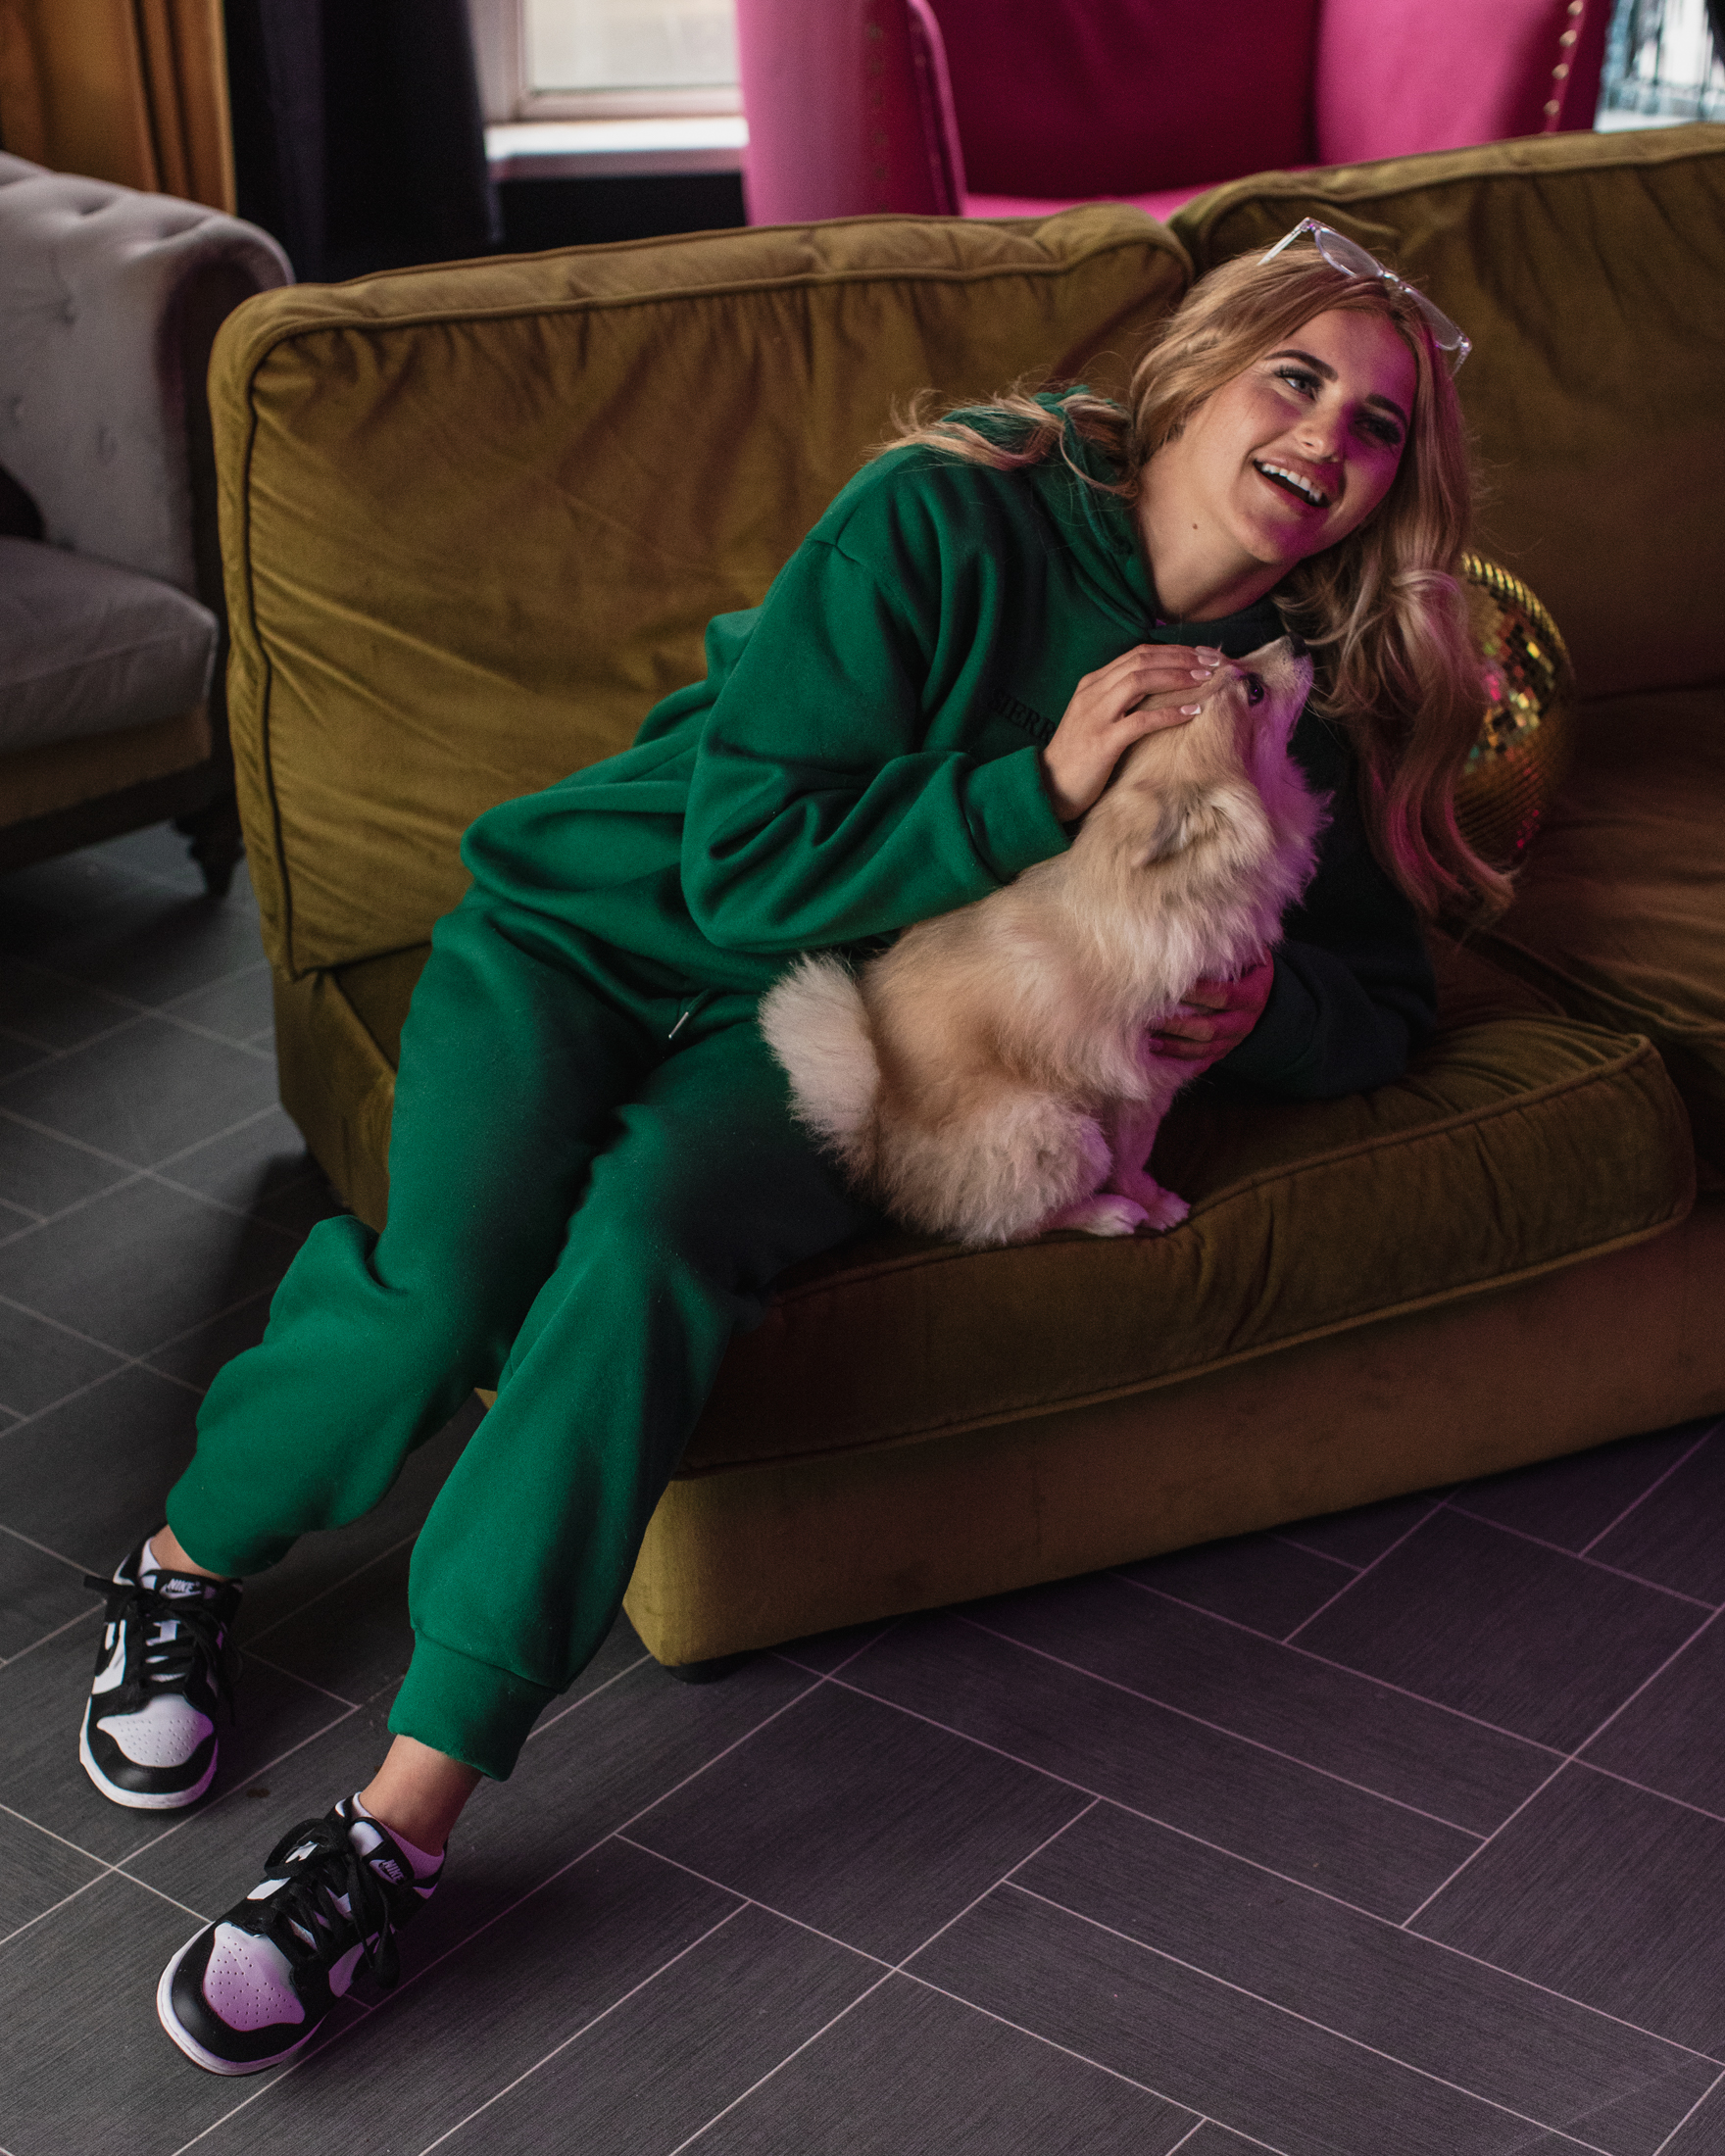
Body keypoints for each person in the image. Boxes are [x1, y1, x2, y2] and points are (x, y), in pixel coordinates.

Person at [77, 221, 1506, 2075]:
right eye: (1294, 375)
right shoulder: (953, 508)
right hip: (597, 937)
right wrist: (1043, 785)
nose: (1328, 434)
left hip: (844, 1027)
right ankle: (185, 1565)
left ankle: (388, 1836)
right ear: (1199, 370)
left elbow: (1380, 999)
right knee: (442, 1299)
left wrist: (1249, 1019)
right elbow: (736, 863)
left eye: (1381, 424)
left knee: (653, 1245)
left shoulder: (1307, 680)